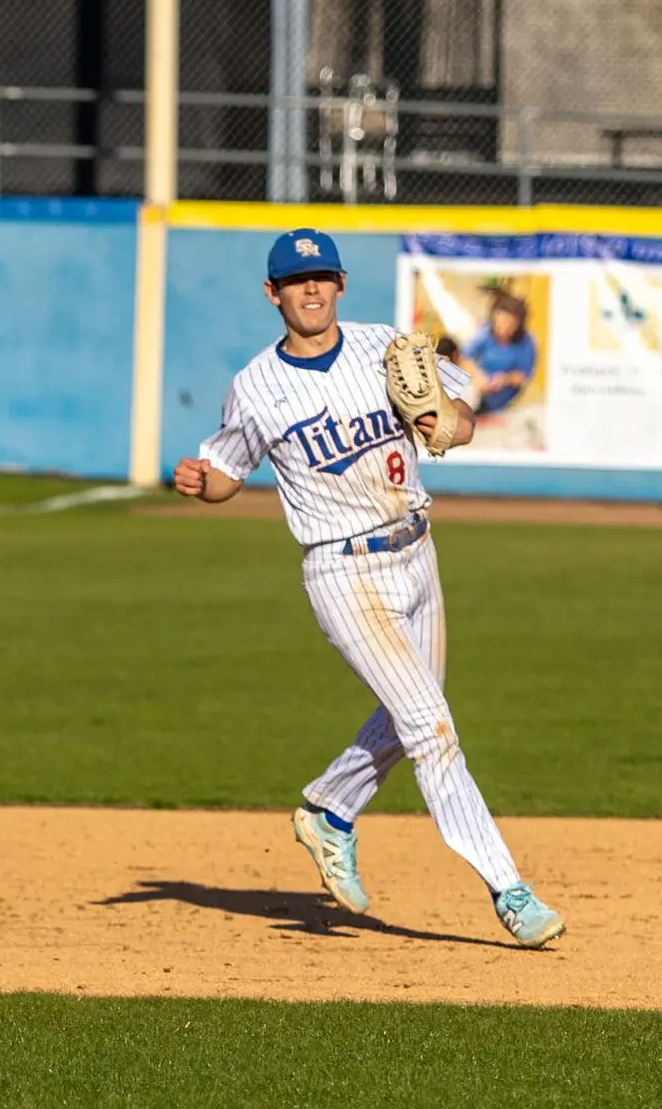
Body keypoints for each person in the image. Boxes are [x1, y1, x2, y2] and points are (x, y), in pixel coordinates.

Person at [170, 229, 564, 949]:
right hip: (342, 570)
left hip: (417, 551)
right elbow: (227, 469)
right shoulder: (256, 385)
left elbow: (462, 418)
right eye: (297, 280)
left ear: (340, 284)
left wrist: (445, 423)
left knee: (412, 715)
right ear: (273, 293)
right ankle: (509, 889)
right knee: (431, 729)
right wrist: (202, 483)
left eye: (321, 276)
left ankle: (330, 809)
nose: (311, 289)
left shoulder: (384, 347)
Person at [462, 291, 538, 415]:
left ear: (519, 326)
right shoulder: (486, 330)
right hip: (479, 388)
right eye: (500, 323)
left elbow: (523, 377)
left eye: (510, 326)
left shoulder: (526, 343)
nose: (503, 329)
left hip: (503, 401)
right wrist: (477, 375)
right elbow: (465, 357)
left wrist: (505, 379)